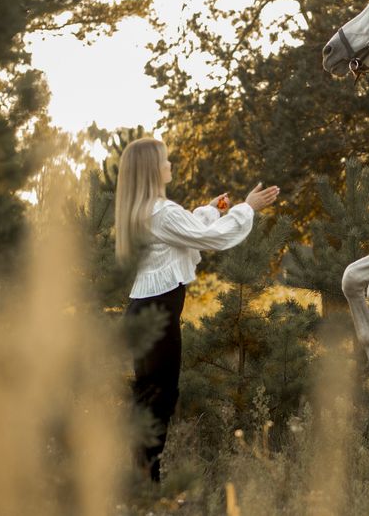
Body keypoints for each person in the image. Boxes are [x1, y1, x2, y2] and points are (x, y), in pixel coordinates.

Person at [114, 137, 280, 481]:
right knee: (158, 399)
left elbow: (187, 227)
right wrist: (246, 208)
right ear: (151, 169)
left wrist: (211, 209)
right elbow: (212, 239)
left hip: (145, 311)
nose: (169, 165)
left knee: (150, 399)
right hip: (156, 315)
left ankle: (141, 480)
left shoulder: (148, 209)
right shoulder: (161, 212)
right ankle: (147, 486)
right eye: (164, 160)